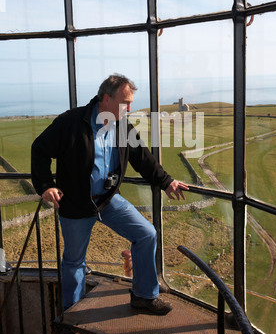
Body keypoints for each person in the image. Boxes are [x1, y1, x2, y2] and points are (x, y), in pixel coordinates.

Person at [31, 74, 188, 314]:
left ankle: (144, 296)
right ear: (105, 98)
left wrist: (166, 182)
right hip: (76, 204)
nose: (130, 108)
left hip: (107, 201)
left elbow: (143, 159)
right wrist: (45, 186)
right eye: (125, 102)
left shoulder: (122, 125)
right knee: (74, 262)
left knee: (147, 234)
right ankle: (71, 314)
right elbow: (39, 149)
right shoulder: (71, 123)